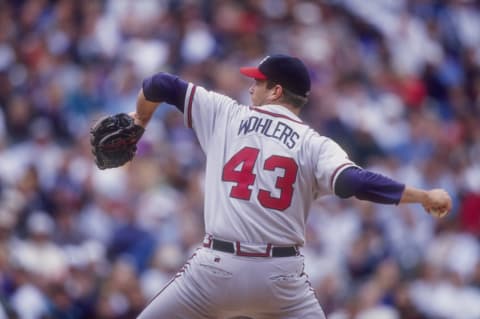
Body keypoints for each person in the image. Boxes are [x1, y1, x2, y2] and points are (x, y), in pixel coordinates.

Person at [132, 54, 452, 319]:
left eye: (257, 81)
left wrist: (139, 122)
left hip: (215, 268)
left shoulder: (226, 114)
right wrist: (421, 195)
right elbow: (353, 182)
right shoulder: (315, 144)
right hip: (280, 280)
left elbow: (159, 84)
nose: (250, 87)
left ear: (276, 91)